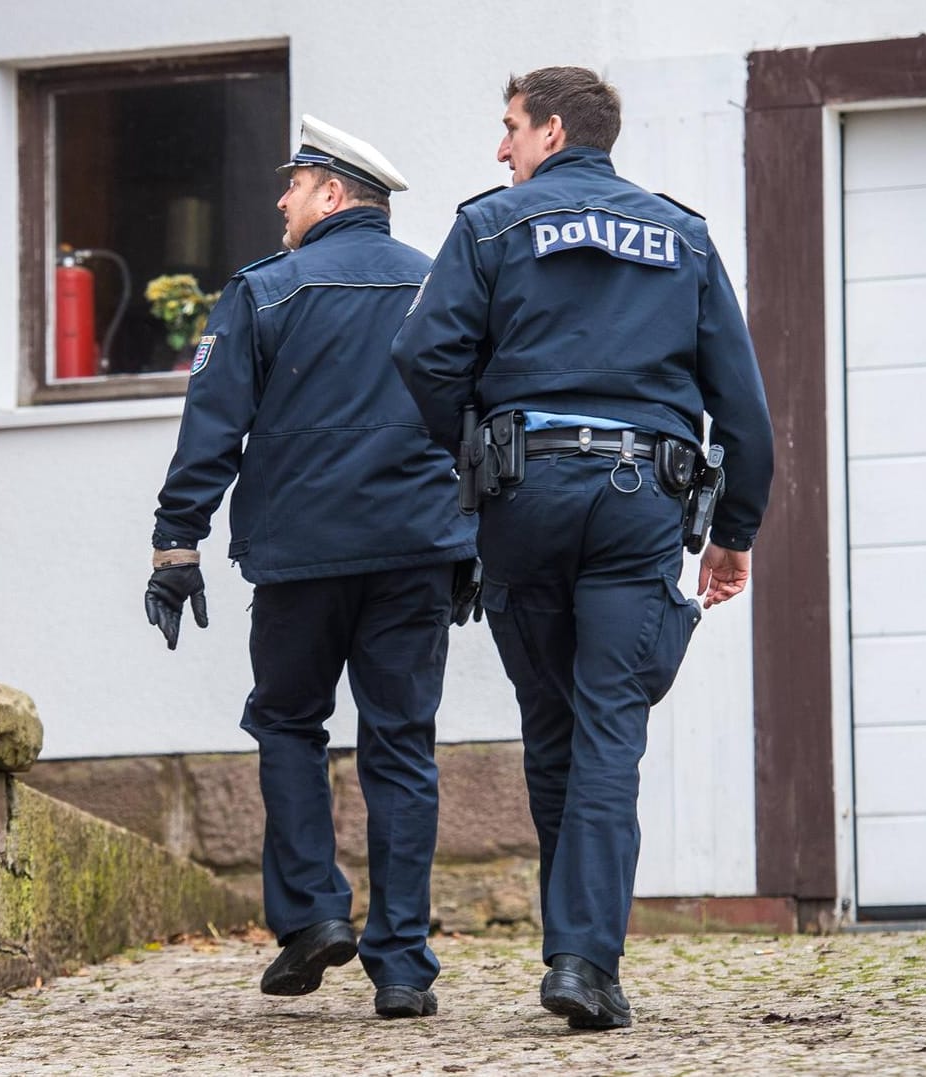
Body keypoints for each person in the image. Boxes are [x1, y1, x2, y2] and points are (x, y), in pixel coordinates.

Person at [391, 67, 775, 1030]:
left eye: (510, 128)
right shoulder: (679, 234)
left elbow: (421, 355)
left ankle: (577, 954)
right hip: (640, 495)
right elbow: (743, 407)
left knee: (552, 721)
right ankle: (582, 961)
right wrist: (733, 536)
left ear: (553, 130)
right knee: (610, 725)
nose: (501, 148)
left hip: (524, 492)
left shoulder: (488, 225)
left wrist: (478, 450)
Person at [144, 115, 478, 1019]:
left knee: (287, 721)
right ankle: (402, 964)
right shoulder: (439, 284)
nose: (280, 204)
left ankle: (312, 917)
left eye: (291, 187)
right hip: (416, 550)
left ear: (331, 194)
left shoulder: (264, 290)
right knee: (401, 745)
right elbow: (479, 416)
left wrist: (177, 544)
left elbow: (210, 429)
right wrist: (475, 540)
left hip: (299, 560)